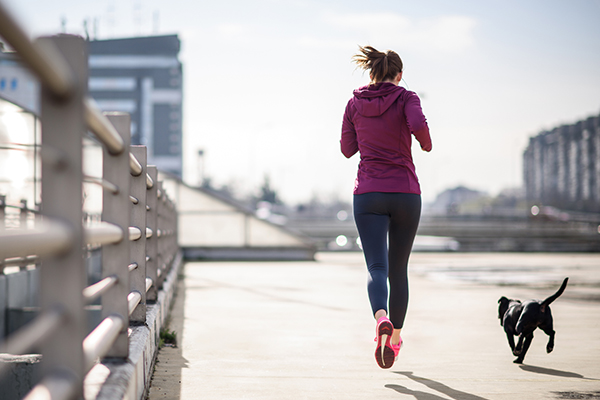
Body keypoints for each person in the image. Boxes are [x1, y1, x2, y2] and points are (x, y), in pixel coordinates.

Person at [340, 45, 432, 369]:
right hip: (406, 192)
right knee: (398, 270)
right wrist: (424, 141)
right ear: (399, 75)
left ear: (372, 73)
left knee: (376, 269)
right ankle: (395, 338)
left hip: (367, 194)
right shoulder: (407, 98)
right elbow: (419, 126)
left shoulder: (354, 103)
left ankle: (381, 318)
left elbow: (347, 149)